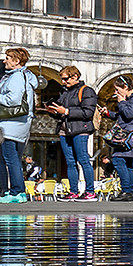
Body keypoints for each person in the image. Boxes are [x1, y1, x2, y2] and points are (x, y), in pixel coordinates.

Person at [0, 48, 41, 204]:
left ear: (17, 61)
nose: (5, 61)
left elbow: (13, 100)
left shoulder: (16, 77)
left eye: (8, 58)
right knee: (12, 159)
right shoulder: (21, 76)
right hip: (15, 124)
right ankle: (16, 191)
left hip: (9, 124)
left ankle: (17, 192)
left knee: (11, 159)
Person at [42, 65, 99, 200]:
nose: (63, 82)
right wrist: (54, 112)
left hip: (80, 129)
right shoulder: (65, 92)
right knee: (70, 161)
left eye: (66, 79)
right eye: (62, 79)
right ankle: (73, 191)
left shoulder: (87, 91)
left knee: (83, 159)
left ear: (75, 77)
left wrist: (67, 111)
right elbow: (61, 113)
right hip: (65, 130)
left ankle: (90, 191)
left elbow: (88, 112)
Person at [102, 78, 133, 199]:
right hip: (128, 136)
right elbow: (122, 116)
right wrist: (107, 113)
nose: (116, 92)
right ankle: (131, 193)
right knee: (128, 164)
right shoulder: (132, 99)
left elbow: (128, 114)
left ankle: (127, 191)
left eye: (117, 90)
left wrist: (121, 101)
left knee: (117, 160)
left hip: (130, 137)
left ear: (125, 86)